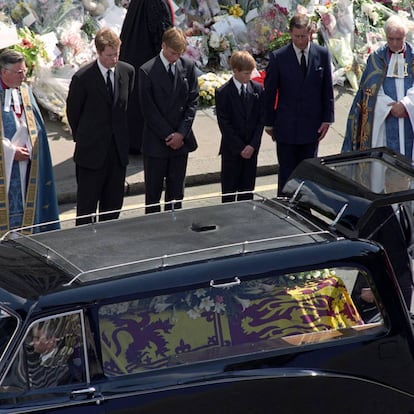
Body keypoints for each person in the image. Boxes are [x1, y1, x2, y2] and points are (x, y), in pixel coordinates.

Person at [66, 28, 135, 225]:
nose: (114, 60)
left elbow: (125, 108)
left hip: (117, 154)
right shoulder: (83, 78)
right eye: (109, 55)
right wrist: (86, 137)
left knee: (113, 209)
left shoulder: (127, 72)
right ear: (98, 52)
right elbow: (73, 114)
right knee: (86, 210)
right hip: (91, 154)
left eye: (117, 54)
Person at [263, 13, 334, 196]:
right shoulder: (279, 57)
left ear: (310, 33)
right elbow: (270, 93)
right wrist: (269, 123)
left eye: (304, 36)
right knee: (287, 173)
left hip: (312, 127)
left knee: (308, 174)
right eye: (296, 36)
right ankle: (285, 210)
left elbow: (327, 89)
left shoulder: (322, 54)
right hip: (286, 127)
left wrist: (327, 119)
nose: (300, 40)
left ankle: (305, 210)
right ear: (290, 34)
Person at [139, 27, 198, 214]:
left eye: (179, 54)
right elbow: (149, 110)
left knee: (176, 193)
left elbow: (192, 101)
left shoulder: (187, 66)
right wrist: (169, 135)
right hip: (157, 142)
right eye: (173, 53)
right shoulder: (147, 71)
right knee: (153, 194)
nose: (175, 58)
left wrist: (181, 133)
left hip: (180, 142)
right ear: (163, 46)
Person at [0, 49, 59, 236]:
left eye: (25, 71)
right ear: (3, 72)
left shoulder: (25, 91)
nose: (23, 76)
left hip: (27, 167)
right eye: (19, 72)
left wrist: (33, 145)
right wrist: (9, 151)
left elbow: (37, 128)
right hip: (6, 169)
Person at [342, 15, 414, 157]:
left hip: (409, 118)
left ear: (405, 36)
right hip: (383, 118)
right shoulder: (376, 58)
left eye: (399, 39)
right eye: (390, 39)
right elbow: (369, 89)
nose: (394, 43)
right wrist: (389, 106)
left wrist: (406, 105)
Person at [119, 0, 174, 154]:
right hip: (146, 55)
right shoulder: (155, 3)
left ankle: (132, 141)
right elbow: (162, 33)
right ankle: (141, 142)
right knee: (145, 99)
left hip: (134, 51)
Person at [215, 50, 264, 203]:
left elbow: (260, 120)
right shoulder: (223, 92)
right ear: (235, 71)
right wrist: (241, 148)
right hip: (232, 152)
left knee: (247, 194)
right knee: (229, 194)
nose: (249, 77)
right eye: (245, 73)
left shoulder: (257, 89)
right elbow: (225, 124)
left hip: (251, 151)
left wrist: (252, 146)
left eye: (250, 73)